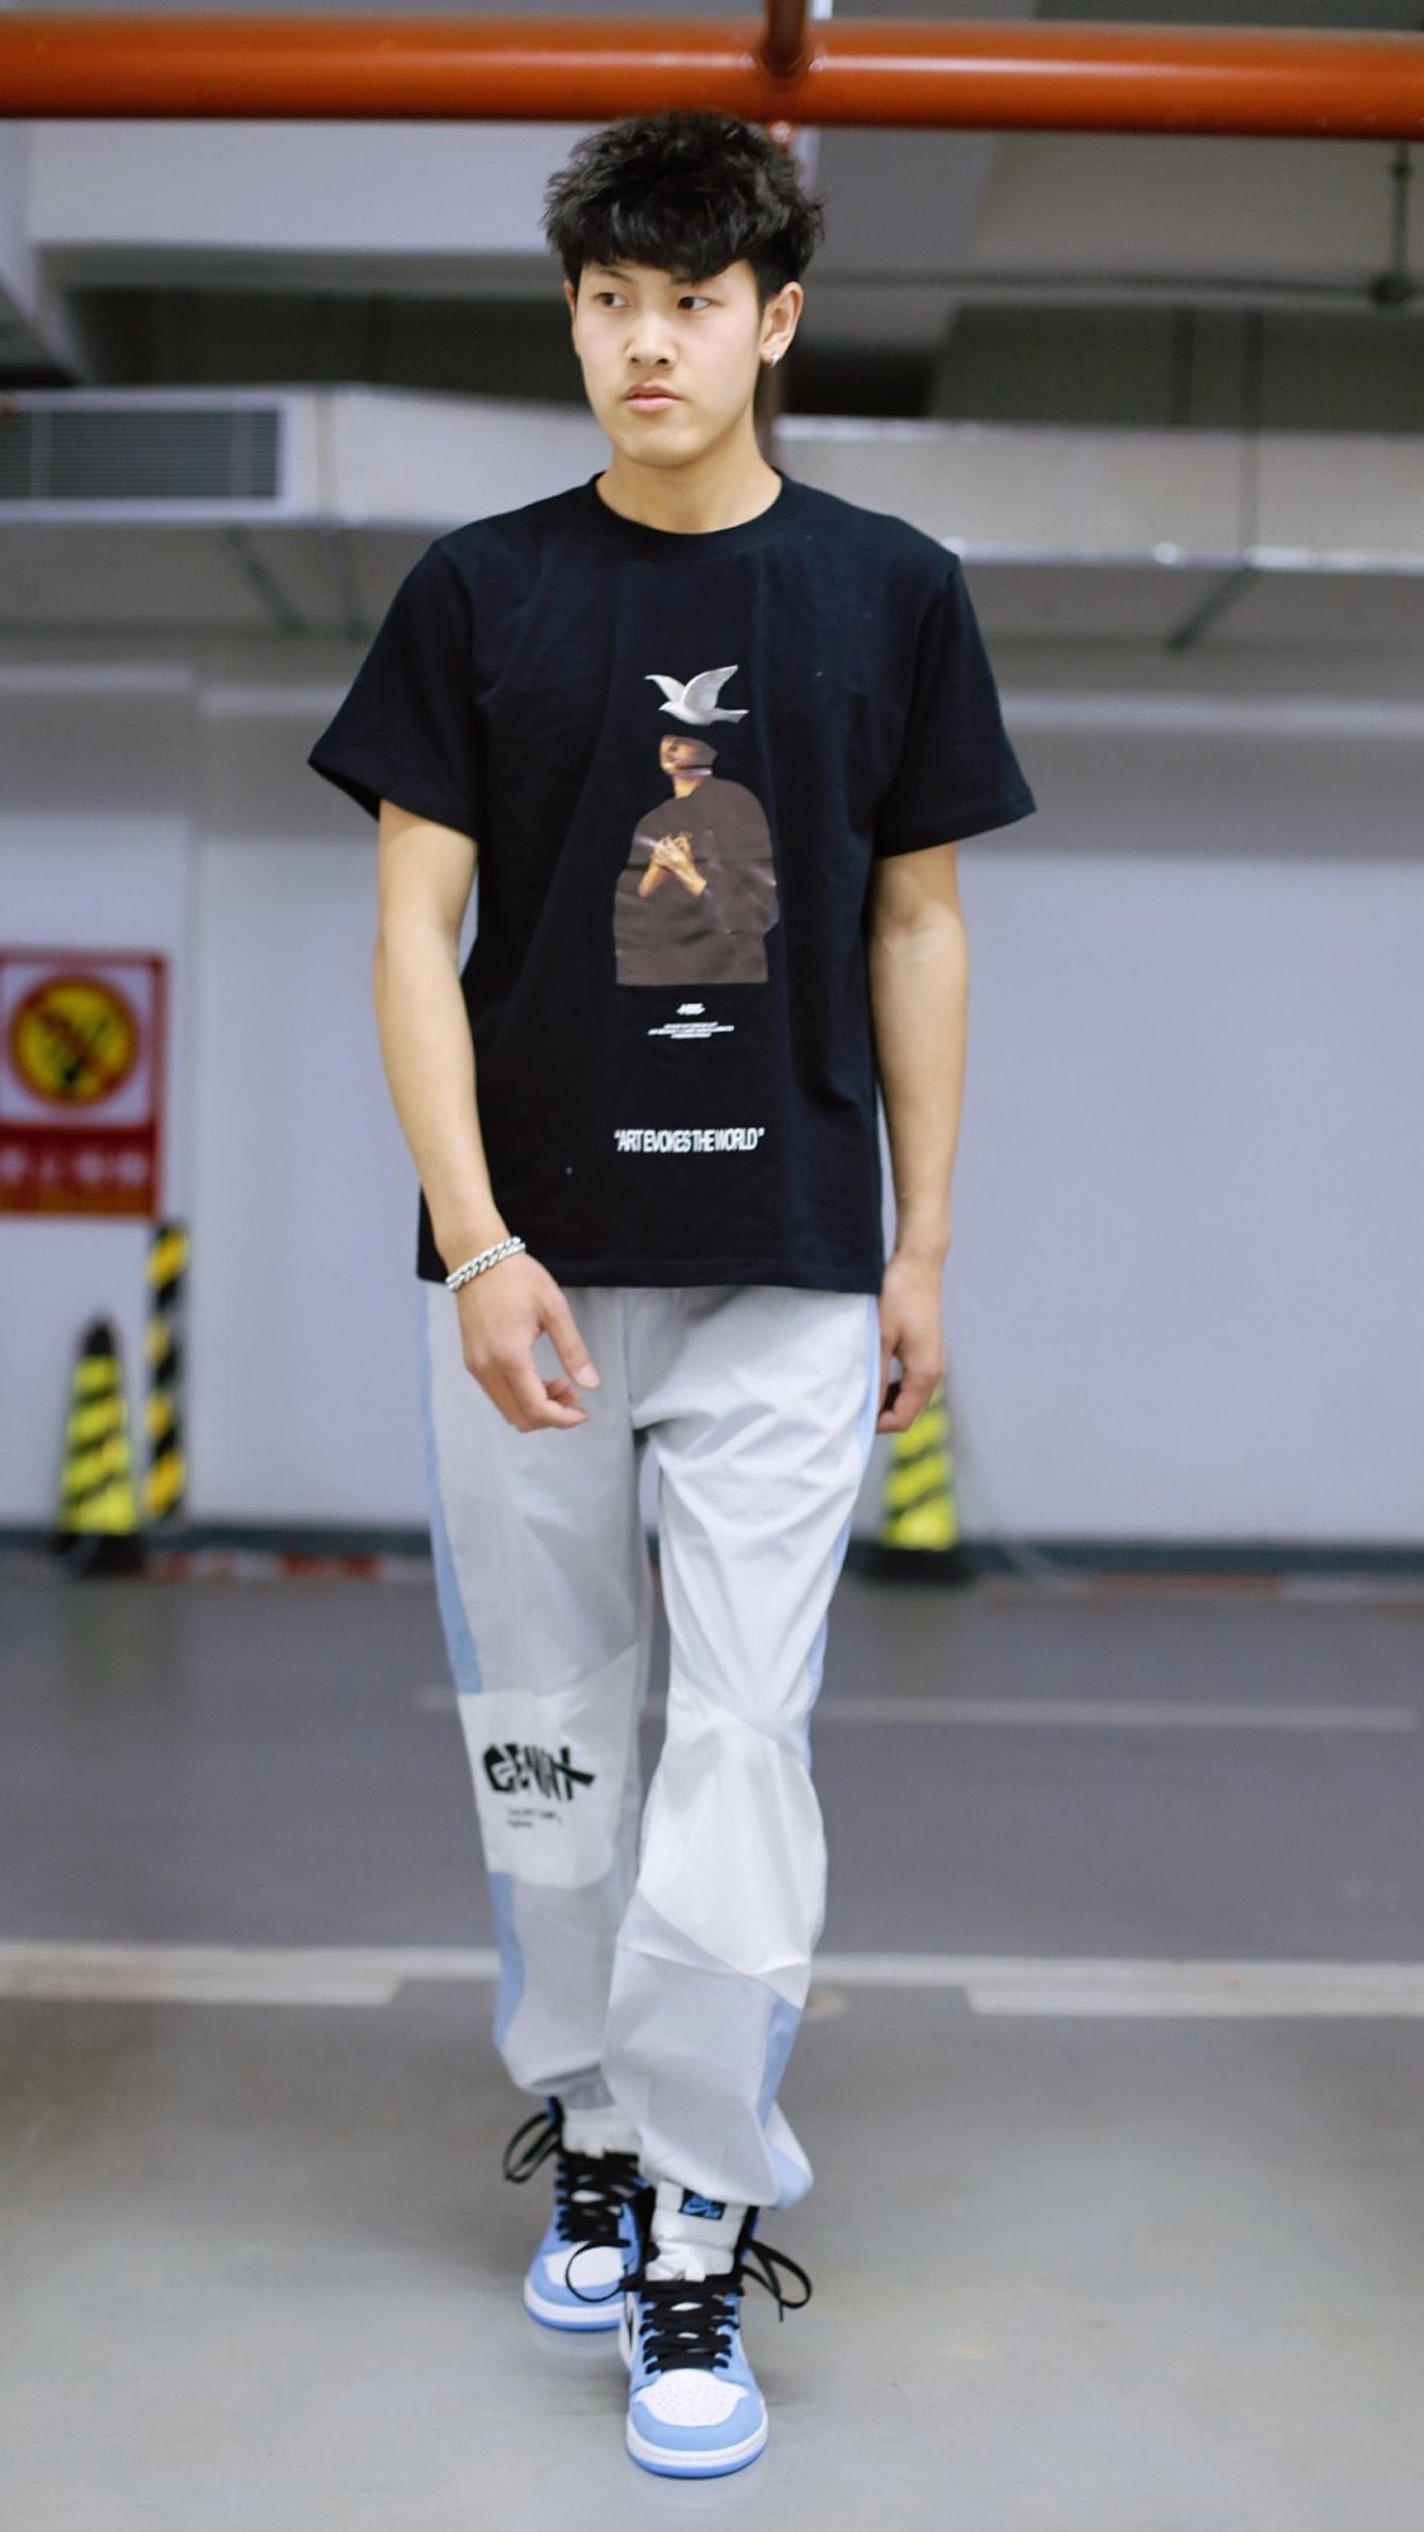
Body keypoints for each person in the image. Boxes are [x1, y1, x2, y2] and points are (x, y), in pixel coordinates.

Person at [307, 105, 1036, 2481]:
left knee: (737, 1746)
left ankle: (699, 2218)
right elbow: (410, 931)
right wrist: (473, 1237)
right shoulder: (481, 593)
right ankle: (595, 2128)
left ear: (774, 319)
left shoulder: (888, 591)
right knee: (550, 1739)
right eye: (611, 301)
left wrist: (921, 1242)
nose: (649, 343)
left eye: (694, 303)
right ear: (576, 316)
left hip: (792, 1269)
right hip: (526, 1282)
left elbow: (917, 925)